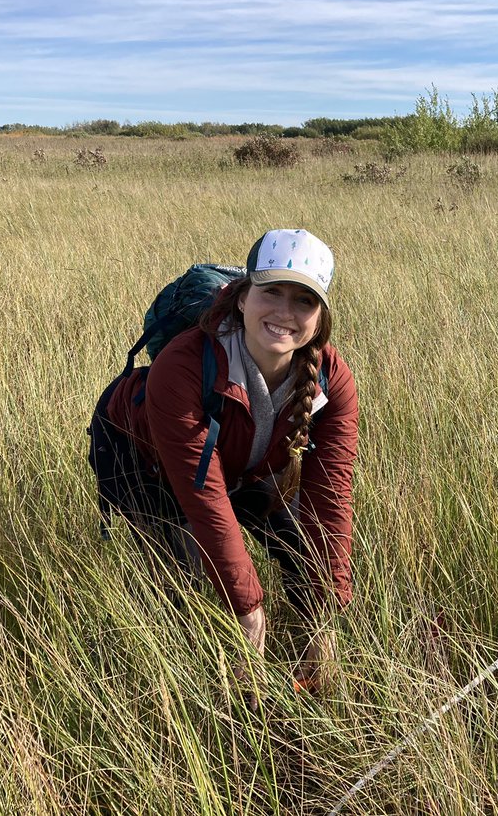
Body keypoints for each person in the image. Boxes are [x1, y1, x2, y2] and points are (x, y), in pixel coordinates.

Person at [87, 229, 358, 690]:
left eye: (304, 301)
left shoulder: (332, 379)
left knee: (299, 555)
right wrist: (249, 611)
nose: (284, 313)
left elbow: (328, 495)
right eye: (271, 292)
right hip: (143, 457)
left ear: (320, 318)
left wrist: (325, 615)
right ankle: (176, 685)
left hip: (244, 465)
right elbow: (203, 493)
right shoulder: (184, 366)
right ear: (241, 296)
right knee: (181, 587)